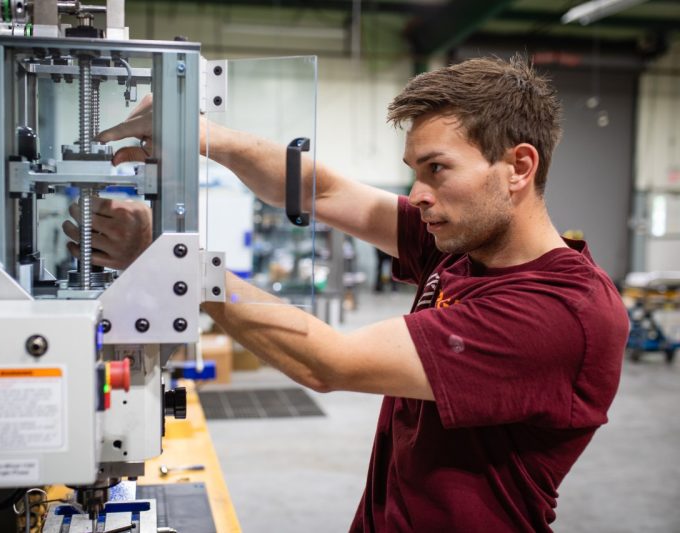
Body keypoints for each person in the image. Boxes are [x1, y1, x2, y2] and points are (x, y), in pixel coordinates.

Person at [64, 56, 629, 532]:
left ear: (518, 167)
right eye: (414, 171)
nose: (419, 194)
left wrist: (176, 268)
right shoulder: (464, 244)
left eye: (437, 169)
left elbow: (328, 362)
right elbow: (324, 191)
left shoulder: (558, 312)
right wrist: (206, 137)